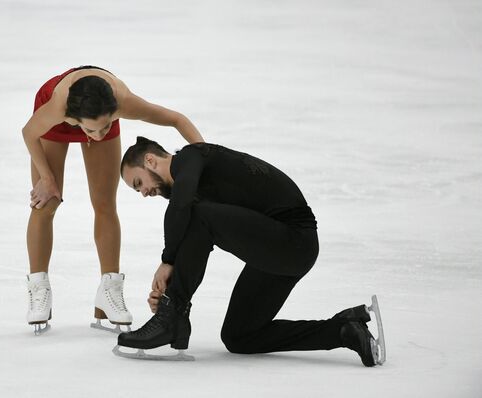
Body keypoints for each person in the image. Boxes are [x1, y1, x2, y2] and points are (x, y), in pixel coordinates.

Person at [114, 137, 385, 365]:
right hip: (276, 251)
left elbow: (183, 208)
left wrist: (168, 261)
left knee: (196, 215)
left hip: (293, 239)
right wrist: (170, 288)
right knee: (238, 336)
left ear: (150, 161)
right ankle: (343, 330)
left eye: (138, 183)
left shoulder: (191, 156)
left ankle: (171, 320)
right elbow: (188, 227)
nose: (144, 193)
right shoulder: (191, 191)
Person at [21, 66, 204, 334]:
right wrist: (46, 178)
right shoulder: (57, 107)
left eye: (106, 126)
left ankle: (109, 290)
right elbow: (29, 133)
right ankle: (39, 288)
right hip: (56, 116)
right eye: (92, 130)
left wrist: (207, 158)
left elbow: (176, 119)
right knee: (46, 201)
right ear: (76, 120)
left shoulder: (122, 101)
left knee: (105, 203)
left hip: (98, 107)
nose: (98, 135)